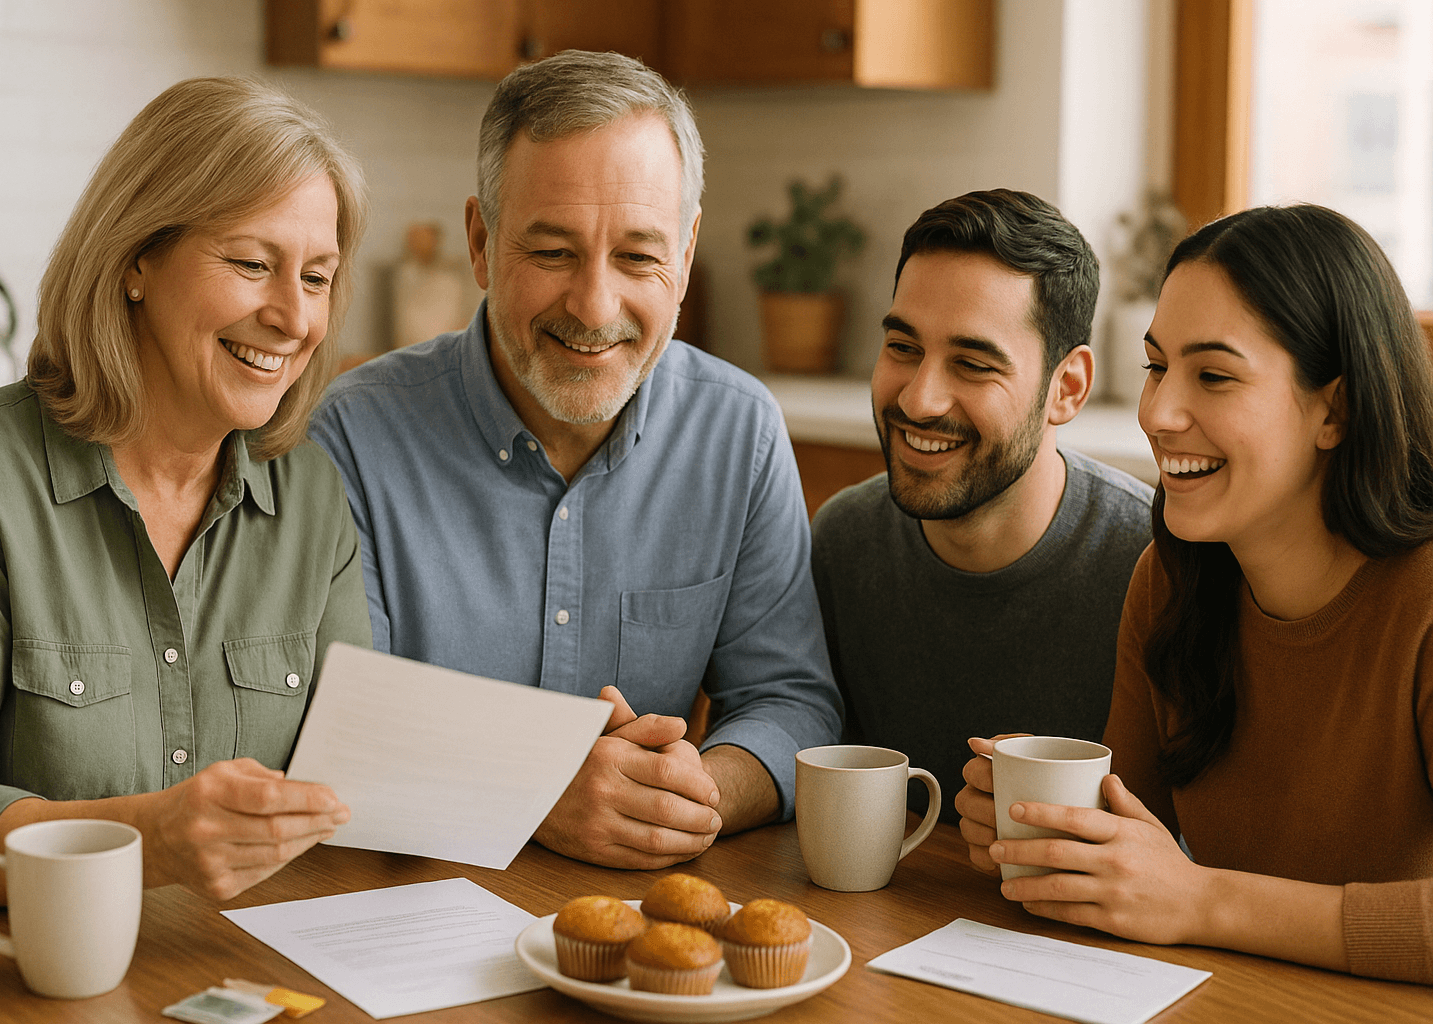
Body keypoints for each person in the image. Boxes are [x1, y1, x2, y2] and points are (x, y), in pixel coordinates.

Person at [310, 50, 842, 870]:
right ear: (481, 244)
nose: (595, 307)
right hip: (403, 911)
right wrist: (535, 789)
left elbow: (790, 701)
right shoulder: (350, 437)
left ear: (687, 253)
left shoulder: (740, 432)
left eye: (637, 256)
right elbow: (342, 728)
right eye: (553, 252)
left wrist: (696, 790)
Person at [0, 77, 373, 911]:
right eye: (253, 264)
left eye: (318, 277)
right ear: (135, 262)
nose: (294, 318)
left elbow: (357, 782)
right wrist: (147, 840)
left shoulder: (311, 500)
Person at [956, 203, 1433, 984]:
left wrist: (1204, 902)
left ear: (1334, 410)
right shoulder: (1172, 580)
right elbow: (1130, 839)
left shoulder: (1422, 599)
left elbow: (1183, 896)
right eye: (1155, 367)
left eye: (1213, 375)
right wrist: (1041, 833)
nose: (1158, 412)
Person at [811, 190, 1152, 822]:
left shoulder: (1154, 565)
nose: (919, 400)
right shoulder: (843, 541)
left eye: (971, 364)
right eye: (903, 348)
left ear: (1067, 387)